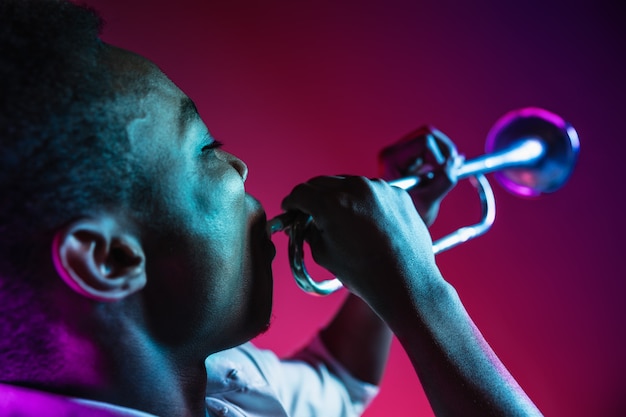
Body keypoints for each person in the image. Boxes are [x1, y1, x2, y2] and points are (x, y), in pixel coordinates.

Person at [0, 1, 542, 416]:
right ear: (111, 258)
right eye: (206, 150)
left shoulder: (214, 377)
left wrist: (411, 221)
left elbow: (339, 382)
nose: (239, 169)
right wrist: (421, 294)